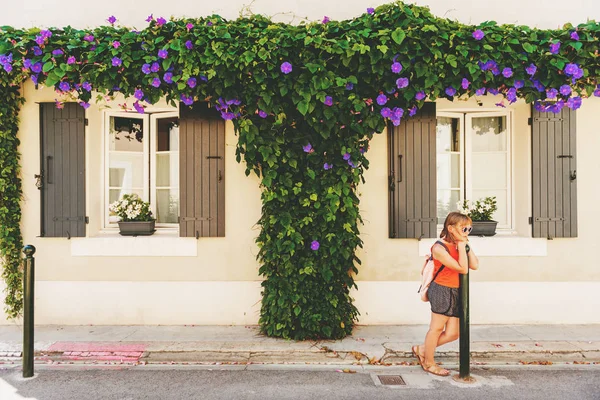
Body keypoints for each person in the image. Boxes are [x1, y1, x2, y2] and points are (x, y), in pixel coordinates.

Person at [412, 211, 479, 376]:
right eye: (463, 228)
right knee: (436, 329)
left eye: (468, 229)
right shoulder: (439, 248)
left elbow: (474, 265)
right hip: (442, 290)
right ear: (450, 228)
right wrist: (462, 245)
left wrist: (464, 245)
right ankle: (429, 363)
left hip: (457, 291)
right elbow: (462, 268)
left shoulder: (460, 244)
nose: (466, 232)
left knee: (453, 333)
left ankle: (422, 349)